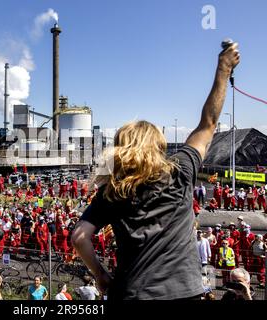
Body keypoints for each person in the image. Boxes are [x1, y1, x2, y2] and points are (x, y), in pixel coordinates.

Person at [71, 42, 240, 300]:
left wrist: (100, 275)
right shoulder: (181, 170)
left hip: (132, 293)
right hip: (185, 293)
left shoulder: (113, 189)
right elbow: (208, 125)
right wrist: (224, 69)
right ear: (158, 146)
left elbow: (79, 238)